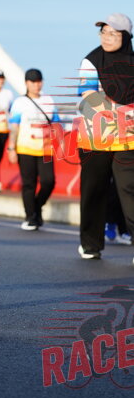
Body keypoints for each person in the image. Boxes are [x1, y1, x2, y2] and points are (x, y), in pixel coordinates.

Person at [76, 13, 134, 260]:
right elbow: (89, 95)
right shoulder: (91, 61)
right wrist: (119, 112)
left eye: (113, 33)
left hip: (128, 137)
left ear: (126, 37)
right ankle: (90, 244)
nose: (106, 37)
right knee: (94, 190)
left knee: (129, 189)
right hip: (95, 136)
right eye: (103, 32)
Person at [8, 69, 61, 230]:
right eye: (33, 82)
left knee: (48, 181)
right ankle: (30, 216)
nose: (36, 85)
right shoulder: (20, 103)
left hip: (46, 149)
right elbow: (14, 127)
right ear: (27, 83)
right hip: (26, 148)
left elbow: (55, 123)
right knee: (29, 184)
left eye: (39, 81)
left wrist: (61, 143)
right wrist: (11, 148)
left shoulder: (49, 100)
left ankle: (37, 206)